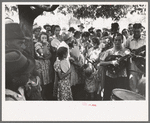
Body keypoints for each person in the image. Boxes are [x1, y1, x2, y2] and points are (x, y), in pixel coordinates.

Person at [5, 22, 43, 100]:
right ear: (6, 43)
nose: (24, 46)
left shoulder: (23, 54)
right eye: (20, 43)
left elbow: (34, 72)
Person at [99, 33, 130, 100]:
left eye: (119, 40)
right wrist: (111, 62)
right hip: (109, 77)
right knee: (107, 96)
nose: (117, 42)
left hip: (121, 78)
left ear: (122, 41)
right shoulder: (109, 52)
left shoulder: (126, 51)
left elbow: (129, 66)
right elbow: (101, 63)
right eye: (116, 40)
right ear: (113, 41)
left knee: (120, 98)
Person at [123, 23, 146, 93]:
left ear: (141, 30)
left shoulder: (145, 39)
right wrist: (129, 52)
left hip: (143, 63)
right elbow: (124, 49)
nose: (136, 33)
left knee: (143, 83)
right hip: (132, 64)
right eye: (134, 31)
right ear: (132, 30)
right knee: (132, 82)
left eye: (138, 31)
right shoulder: (129, 39)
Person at [34, 32, 53, 100]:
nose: (44, 39)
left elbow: (50, 55)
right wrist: (45, 46)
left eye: (45, 38)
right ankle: (41, 97)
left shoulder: (48, 44)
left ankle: (45, 96)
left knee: (47, 82)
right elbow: (43, 54)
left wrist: (48, 56)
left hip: (47, 65)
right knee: (42, 83)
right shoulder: (38, 44)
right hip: (41, 65)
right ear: (40, 38)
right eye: (42, 38)